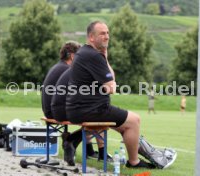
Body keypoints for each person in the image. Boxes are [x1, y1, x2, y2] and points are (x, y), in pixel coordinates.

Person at [66, 21, 177, 169]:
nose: (107, 37)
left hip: (81, 109)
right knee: (134, 121)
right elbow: (111, 87)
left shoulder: (85, 52)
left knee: (122, 125)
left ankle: (73, 139)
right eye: (102, 34)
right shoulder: (93, 56)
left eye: (107, 33)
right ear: (91, 37)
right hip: (92, 110)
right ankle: (134, 162)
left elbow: (109, 77)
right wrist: (110, 81)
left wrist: (105, 57)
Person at [41, 41, 99, 165]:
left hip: (49, 110)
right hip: (56, 112)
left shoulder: (58, 66)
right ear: (73, 56)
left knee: (92, 114)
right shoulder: (68, 69)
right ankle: (72, 142)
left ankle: (83, 148)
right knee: (99, 118)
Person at [51, 68, 113, 166]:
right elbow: (109, 87)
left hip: (57, 109)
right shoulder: (85, 70)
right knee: (100, 117)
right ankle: (73, 141)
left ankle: (81, 148)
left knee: (95, 116)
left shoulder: (77, 68)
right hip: (64, 110)